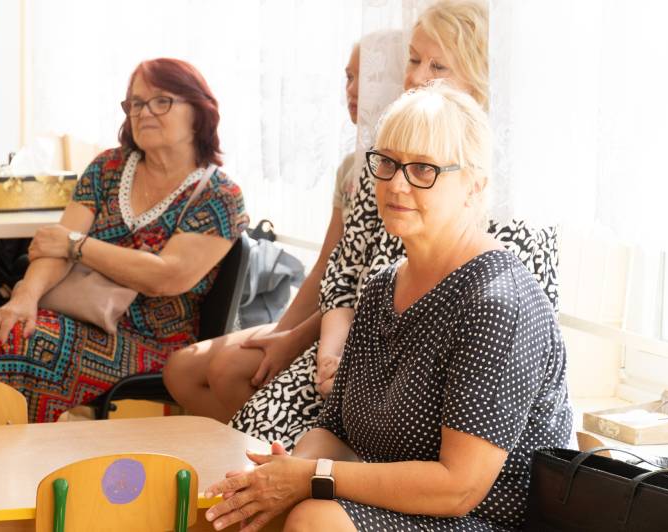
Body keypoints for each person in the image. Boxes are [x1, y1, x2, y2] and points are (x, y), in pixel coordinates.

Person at [204, 83, 572, 532]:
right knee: (248, 507)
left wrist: (309, 480)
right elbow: (334, 431)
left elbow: (458, 489)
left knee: (315, 519)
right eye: (388, 163)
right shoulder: (382, 287)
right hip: (402, 507)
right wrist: (288, 473)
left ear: (474, 187)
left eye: (423, 169)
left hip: (484, 520)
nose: (397, 184)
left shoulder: (498, 303)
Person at [230, 0, 563, 451]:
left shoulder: (506, 262)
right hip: (361, 363)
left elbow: (462, 475)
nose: (417, 77)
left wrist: (315, 473)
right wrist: (331, 354)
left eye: (438, 66)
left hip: (431, 393)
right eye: (413, 60)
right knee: (252, 440)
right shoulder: (383, 271)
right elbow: (341, 277)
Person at [0, 58, 249, 423]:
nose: (144, 112)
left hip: (152, 343)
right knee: (7, 330)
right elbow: (53, 249)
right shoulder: (108, 168)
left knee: (27, 344)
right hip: (75, 318)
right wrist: (24, 298)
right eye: (136, 103)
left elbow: (166, 276)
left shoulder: (219, 195)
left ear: (200, 112)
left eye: (162, 101)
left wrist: (78, 246)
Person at [162, 42, 361, 421]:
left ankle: (280, 448)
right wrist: (281, 333)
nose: (351, 91)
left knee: (228, 371)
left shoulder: (396, 175)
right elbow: (325, 267)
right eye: (348, 78)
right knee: (181, 370)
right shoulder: (351, 166)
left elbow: (359, 293)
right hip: (325, 313)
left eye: (364, 79)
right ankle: (252, 445)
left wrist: (294, 339)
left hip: (350, 325)